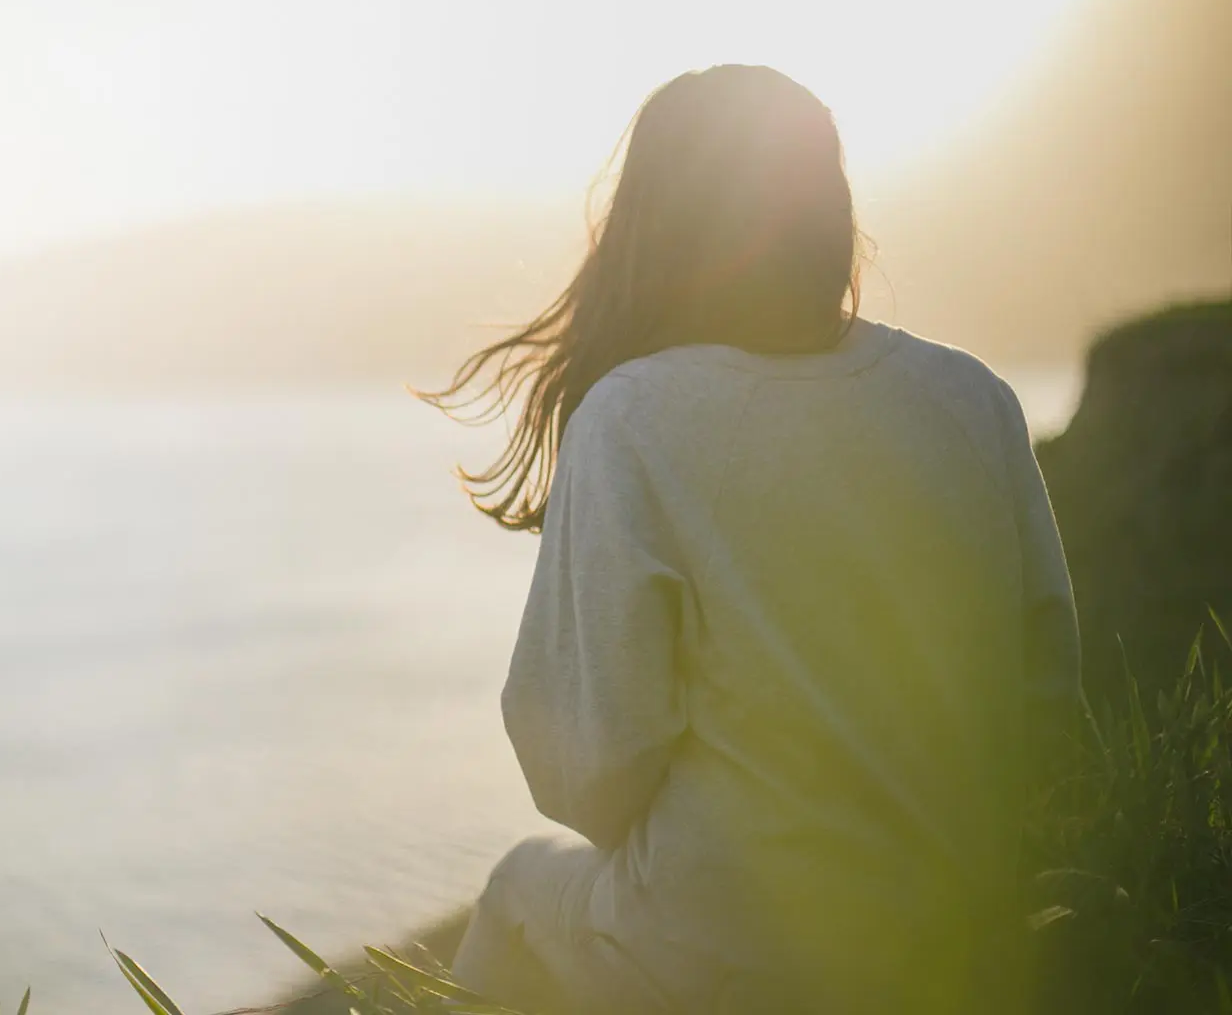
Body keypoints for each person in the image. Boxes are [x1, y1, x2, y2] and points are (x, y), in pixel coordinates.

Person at [419, 65, 1091, 1013]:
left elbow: (587, 776)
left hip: (730, 955)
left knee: (517, 892)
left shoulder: (635, 417)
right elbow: (1045, 694)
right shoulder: (971, 395)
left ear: (654, 227)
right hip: (958, 934)